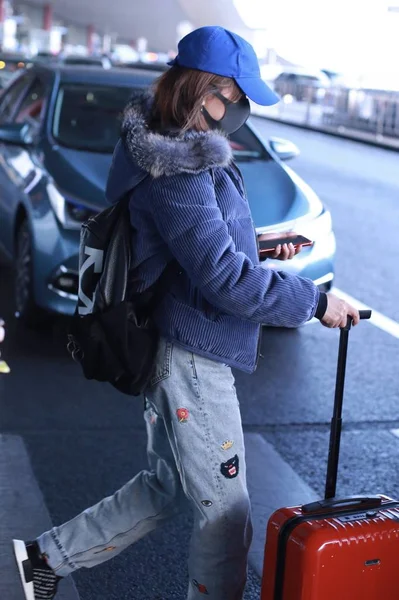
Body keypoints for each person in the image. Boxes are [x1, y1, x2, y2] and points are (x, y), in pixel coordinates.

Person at [13, 26, 359, 600]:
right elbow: (225, 279)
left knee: (165, 489)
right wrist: (317, 301)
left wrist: (265, 249)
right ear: (205, 92)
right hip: (191, 359)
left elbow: (198, 251)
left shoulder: (173, 149)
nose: (244, 111)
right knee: (227, 519)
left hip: (183, 344)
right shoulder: (179, 169)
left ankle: (45, 559)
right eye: (239, 96)